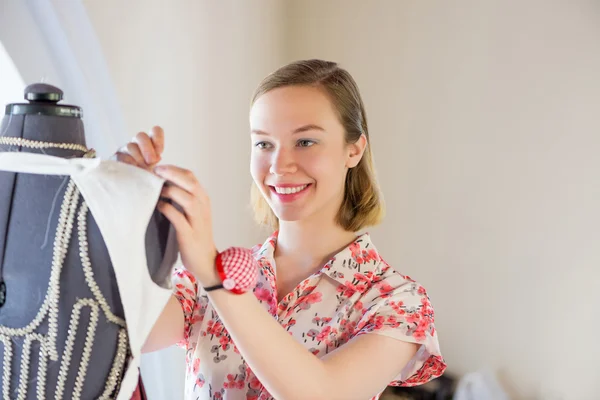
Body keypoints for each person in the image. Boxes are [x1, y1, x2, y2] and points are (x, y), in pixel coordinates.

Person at [115, 59, 447, 400]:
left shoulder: (396, 301)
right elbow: (110, 333)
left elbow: (322, 394)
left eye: (305, 142)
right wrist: (120, 208)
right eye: (263, 143)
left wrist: (216, 279)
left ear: (354, 149)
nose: (278, 165)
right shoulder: (199, 284)